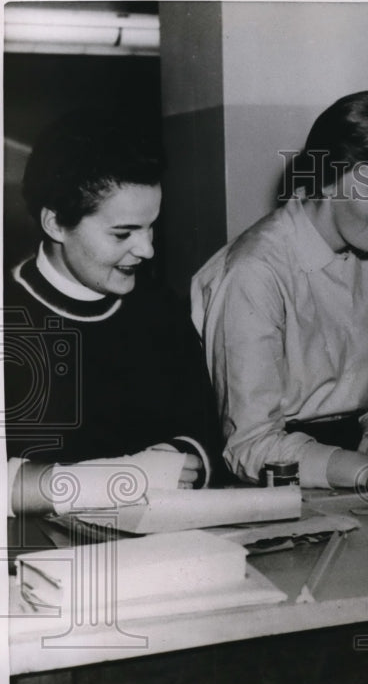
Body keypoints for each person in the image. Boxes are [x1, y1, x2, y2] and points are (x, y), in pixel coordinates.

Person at [191, 92, 368, 500]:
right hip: (270, 478)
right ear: (328, 176)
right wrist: (360, 467)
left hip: (351, 468)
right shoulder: (254, 271)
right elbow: (249, 445)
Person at [6, 110, 221, 517]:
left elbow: (205, 434)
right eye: (123, 233)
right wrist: (134, 477)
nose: (147, 249)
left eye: (151, 226)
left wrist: (181, 456)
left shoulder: (162, 310)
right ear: (55, 224)